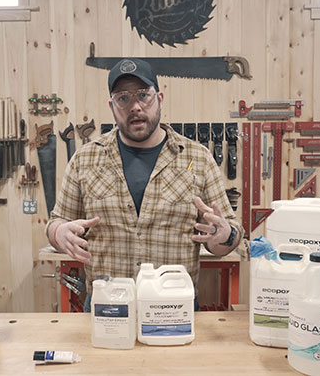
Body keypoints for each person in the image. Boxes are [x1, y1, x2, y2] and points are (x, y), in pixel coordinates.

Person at [45, 58, 244, 311]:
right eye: (123, 98)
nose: (135, 106)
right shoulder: (85, 159)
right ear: (112, 105)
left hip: (172, 309)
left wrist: (225, 236)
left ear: (159, 98)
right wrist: (58, 232)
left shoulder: (198, 158)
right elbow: (57, 221)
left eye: (143, 95)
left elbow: (230, 235)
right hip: (107, 307)